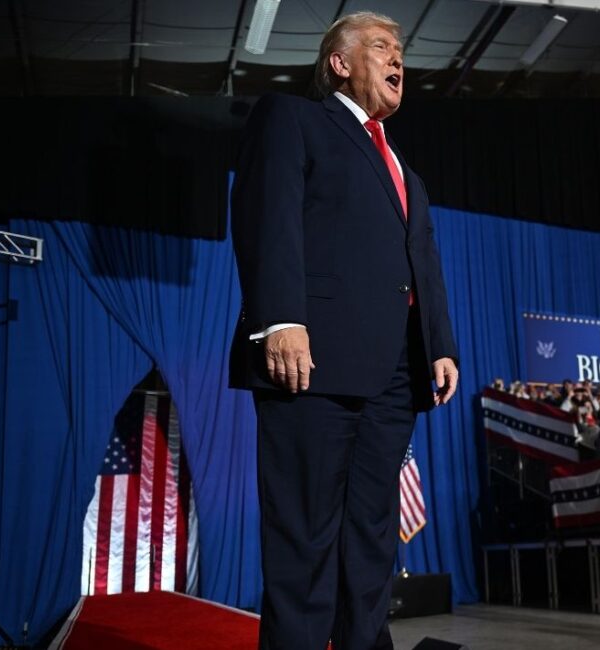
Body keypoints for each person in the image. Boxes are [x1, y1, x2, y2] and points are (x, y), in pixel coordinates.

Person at [228, 12, 459, 650]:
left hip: (393, 376)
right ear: (338, 63)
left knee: (371, 539)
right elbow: (266, 215)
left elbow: (423, 264)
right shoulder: (292, 118)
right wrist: (280, 319)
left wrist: (439, 344)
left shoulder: (406, 172)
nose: (399, 60)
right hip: (311, 361)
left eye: (402, 51)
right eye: (383, 47)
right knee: (303, 536)